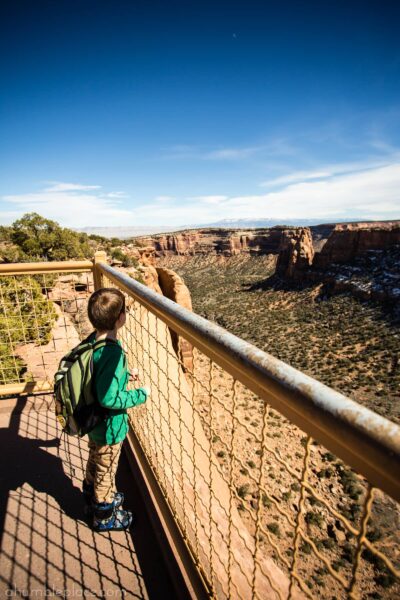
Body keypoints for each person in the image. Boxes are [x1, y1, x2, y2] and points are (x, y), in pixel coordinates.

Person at [83, 287, 149, 532]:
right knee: (106, 471)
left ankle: (90, 496)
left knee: (95, 460)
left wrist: (123, 374)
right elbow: (109, 398)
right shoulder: (113, 352)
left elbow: (100, 375)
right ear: (120, 318)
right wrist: (140, 394)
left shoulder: (93, 341)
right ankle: (104, 514)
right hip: (110, 427)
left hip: (94, 424)